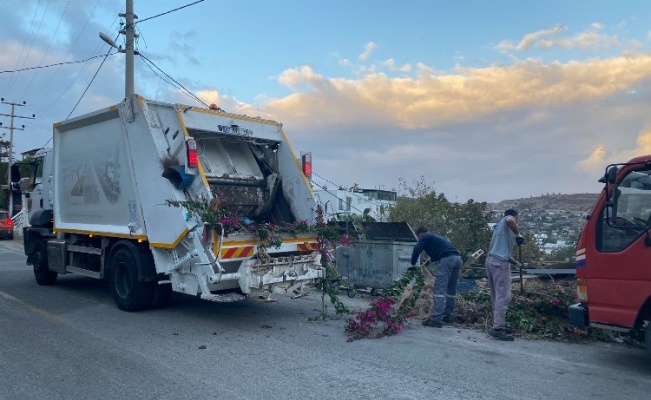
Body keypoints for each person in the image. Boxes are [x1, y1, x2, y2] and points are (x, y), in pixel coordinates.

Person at [410, 226, 463, 328]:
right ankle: (448, 315)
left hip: (447, 260)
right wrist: (427, 263)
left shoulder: (424, 237)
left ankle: (436, 319)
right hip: (457, 259)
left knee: (439, 290)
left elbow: (417, 250)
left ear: (419, 234)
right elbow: (436, 254)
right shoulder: (436, 237)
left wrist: (412, 264)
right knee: (451, 290)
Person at [485, 209, 524, 341]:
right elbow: (510, 219)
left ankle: (497, 325)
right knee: (503, 296)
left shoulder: (498, 227)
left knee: (496, 296)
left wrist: (516, 263)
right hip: (499, 264)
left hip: (491, 261)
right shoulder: (508, 220)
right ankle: (498, 329)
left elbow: (501, 251)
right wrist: (518, 234)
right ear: (516, 216)